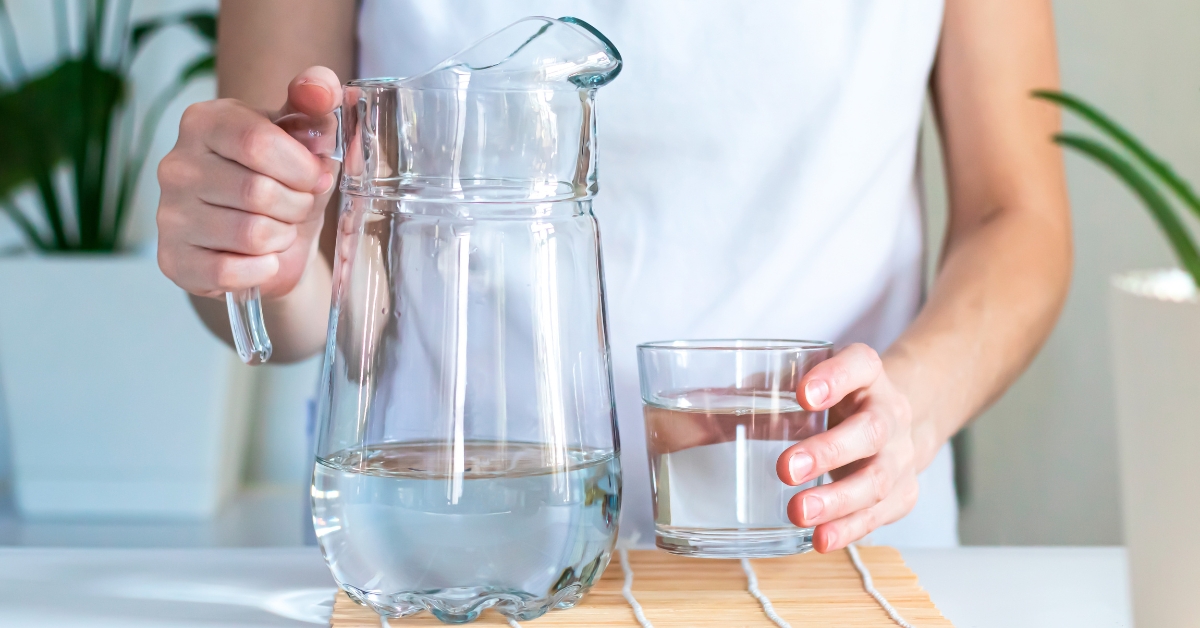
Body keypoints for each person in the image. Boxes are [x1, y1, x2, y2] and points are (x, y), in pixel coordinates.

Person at [157, 0, 1071, 552]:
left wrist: (909, 408)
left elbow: (1017, 217)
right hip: (435, 538)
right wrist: (254, 247)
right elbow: (312, 271)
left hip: (827, 542)